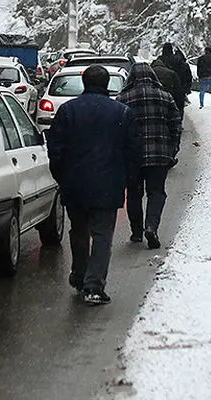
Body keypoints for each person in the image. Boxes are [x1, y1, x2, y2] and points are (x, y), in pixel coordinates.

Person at [46, 65, 139, 306]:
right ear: (107, 84)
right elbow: (132, 152)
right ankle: (94, 286)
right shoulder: (122, 113)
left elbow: (55, 148)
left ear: (84, 83)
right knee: (101, 235)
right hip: (108, 184)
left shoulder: (67, 111)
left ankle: (79, 275)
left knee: (78, 231)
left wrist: (61, 176)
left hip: (75, 183)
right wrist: (128, 181)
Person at [117, 63, 182, 249]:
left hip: (133, 157)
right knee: (156, 192)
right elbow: (175, 124)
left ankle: (136, 231)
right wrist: (172, 149)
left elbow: (117, 129)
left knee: (134, 194)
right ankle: (151, 226)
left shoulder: (123, 99)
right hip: (159, 154)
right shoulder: (165, 96)